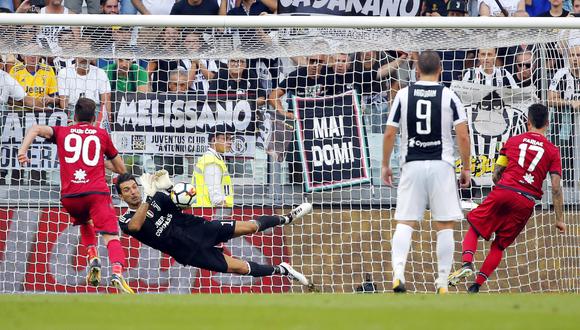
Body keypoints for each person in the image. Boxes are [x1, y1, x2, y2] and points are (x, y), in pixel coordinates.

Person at [116, 171, 314, 286]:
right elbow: (136, 226)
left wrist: (169, 188)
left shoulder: (157, 198)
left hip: (199, 228)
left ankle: (286, 218)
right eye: (127, 190)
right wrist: (149, 197)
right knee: (240, 267)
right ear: (121, 197)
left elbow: (185, 204)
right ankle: (282, 270)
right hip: (187, 251)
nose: (133, 192)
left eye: (134, 187)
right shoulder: (125, 219)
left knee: (250, 226)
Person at [17, 98, 133, 293]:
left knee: (85, 222)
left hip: (70, 197)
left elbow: (36, 128)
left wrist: (22, 151)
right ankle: (117, 272)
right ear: (95, 117)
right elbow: (121, 169)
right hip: (96, 193)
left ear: (73, 116)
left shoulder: (63, 132)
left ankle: (92, 256)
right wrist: (100, 160)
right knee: (111, 236)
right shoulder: (101, 134)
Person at [448, 104, 565, 293]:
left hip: (504, 191)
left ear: (528, 122)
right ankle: (476, 286)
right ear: (547, 124)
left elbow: (496, 174)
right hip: (526, 201)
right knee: (499, 245)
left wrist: (503, 181)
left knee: (475, 226)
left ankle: (467, 263)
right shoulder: (552, 151)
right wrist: (559, 219)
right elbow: (556, 186)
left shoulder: (513, 141)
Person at [381, 51, 471, 294]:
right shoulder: (449, 94)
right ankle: (442, 282)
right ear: (440, 69)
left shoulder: (403, 94)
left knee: (405, 222)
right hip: (441, 165)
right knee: (445, 224)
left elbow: (390, 132)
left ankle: (398, 274)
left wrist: (385, 164)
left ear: (417, 70)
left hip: (412, 164)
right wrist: (466, 167)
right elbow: (462, 134)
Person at [547, 44, 580, 187]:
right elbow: (550, 99)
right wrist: (569, 102)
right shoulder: (561, 74)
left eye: (578, 55)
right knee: (565, 157)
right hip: (563, 124)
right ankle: (566, 190)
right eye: (571, 55)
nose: (574, 59)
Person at [193, 125, 234, 209]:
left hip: (205, 211)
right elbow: (216, 198)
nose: (230, 142)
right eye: (225, 138)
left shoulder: (213, 158)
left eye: (230, 139)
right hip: (209, 213)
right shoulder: (212, 162)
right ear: (214, 140)